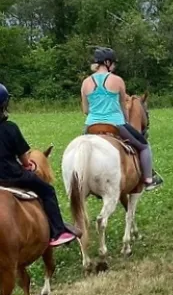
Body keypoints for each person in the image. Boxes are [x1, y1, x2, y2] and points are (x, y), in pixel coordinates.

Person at [0, 84, 79, 246]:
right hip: (12, 178)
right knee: (48, 191)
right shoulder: (10, 128)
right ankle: (58, 231)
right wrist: (30, 165)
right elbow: (24, 160)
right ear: (3, 105)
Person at [81, 47, 163, 191]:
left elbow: (85, 110)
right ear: (107, 62)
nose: (114, 66)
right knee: (144, 146)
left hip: (91, 126)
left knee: (81, 150)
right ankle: (149, 179)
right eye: (113, 63)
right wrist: (125, 120)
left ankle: (81, 179)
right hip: (115, 124)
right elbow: (123, 106)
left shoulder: (85, 83)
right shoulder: (117, 80)